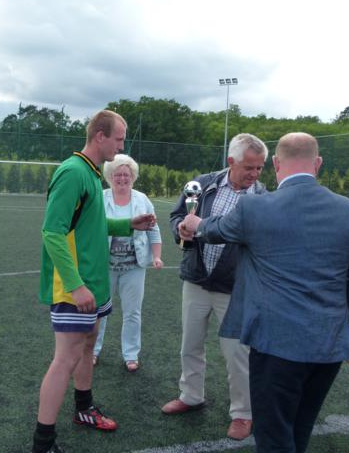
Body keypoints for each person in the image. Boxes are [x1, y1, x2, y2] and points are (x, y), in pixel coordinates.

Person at [180, 132, 349, 453]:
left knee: (274, 437)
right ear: (318, 163)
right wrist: (332, 312)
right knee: (300, 429)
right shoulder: (348, 209)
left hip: (276, 344)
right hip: (328, 345)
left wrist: (195, 225)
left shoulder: (256, 206)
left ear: (275, 163)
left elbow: (216, 230)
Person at [32, 110, 157, 453]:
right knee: (65, 359)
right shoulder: (73, 172)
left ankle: (83, 408)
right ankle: (43, 442)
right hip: (75, 288)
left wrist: (128, 225)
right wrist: (75, 285)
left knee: (88, 346)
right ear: (100, 136)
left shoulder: (91, 173)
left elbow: (91, 225)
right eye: (119, 138)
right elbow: (52, 233)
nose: (122, 145)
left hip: (95, 283)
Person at [163, 133, 268, 441]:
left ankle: (243, 413)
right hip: (196, 279)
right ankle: (191, 396)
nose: (255, 174)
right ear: (231, 161)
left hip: (235, 288)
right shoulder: (202, 184)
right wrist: (180, 229)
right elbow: (177, 215)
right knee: (190, 344)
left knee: (237, 354)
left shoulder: (262, 199)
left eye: (260, 168)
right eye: (249, 167)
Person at [93, 154, 163, 372]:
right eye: (118, 174)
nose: (122, 178)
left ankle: (131, 355)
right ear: (109, 176)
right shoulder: (100, 198)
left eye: (126, 174)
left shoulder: (142, 200)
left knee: (132, 312)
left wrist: (156, 256)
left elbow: (154, 230)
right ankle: (92, 351)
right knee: (99, 311)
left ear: (132, 176)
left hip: (134, 267)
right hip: (104, 266)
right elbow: (91, 228)